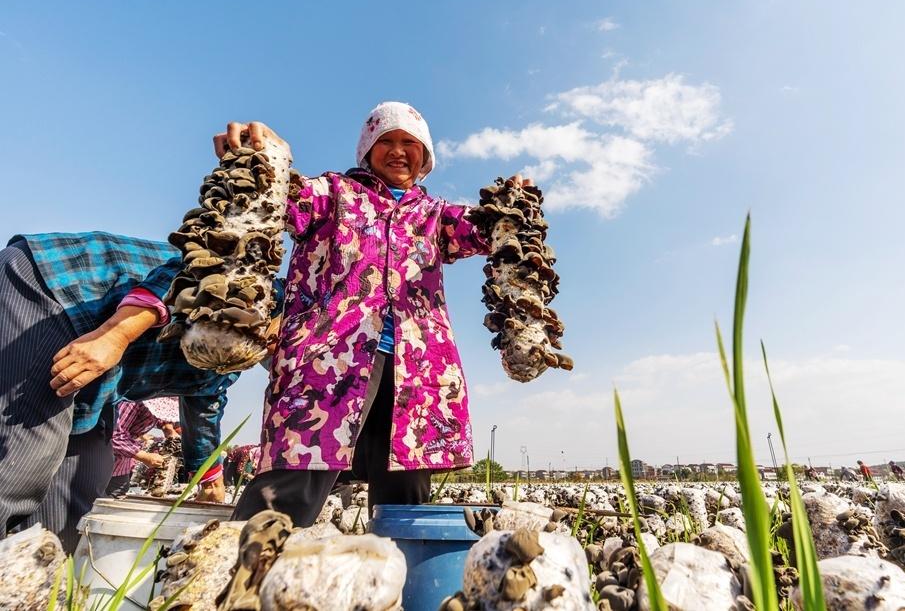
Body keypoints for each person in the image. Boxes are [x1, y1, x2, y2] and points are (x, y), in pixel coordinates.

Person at [229, 104, 525, 526]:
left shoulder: (435, 215)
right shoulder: (333, 194)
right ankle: (236, 581)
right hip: (329, 358)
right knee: (295, 479)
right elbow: (282, 197)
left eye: (410, 143)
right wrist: (258, 156)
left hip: (418, 367)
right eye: (386, 140)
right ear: (367, 150)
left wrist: (513, 202)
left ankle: (398, 583)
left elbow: (485, 231)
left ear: (425, 157)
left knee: (405, 495)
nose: (398, 150)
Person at [0, 232, 251, 550]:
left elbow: (206, 396)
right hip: (58, 289)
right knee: (22, 466)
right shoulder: (265, 292)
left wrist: (209, 476)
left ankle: (42, 584)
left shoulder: (242, 354)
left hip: (99, 366)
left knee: (83, 483)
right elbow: (197, 270)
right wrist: (114, 336)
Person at [106, 398, 180, 498]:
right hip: (102, 461)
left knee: (118, 494)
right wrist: (144, 456)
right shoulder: (131, 402)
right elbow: (114, 435)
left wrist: (167, 428)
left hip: (121, 466)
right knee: (93, 502)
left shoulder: (151, 405)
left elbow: (154, 416)